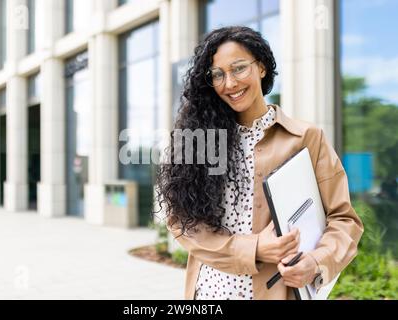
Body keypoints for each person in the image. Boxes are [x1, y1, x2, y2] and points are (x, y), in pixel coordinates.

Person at [155, 26, 363, 300]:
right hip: (208, 293)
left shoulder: (305, 138)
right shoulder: (201, 139)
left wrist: (315, 263)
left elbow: (344, 220)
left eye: (239, 68)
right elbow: (181, 221)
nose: (229, 83)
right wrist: (254, 249)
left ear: (261, 67)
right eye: (217, 74)